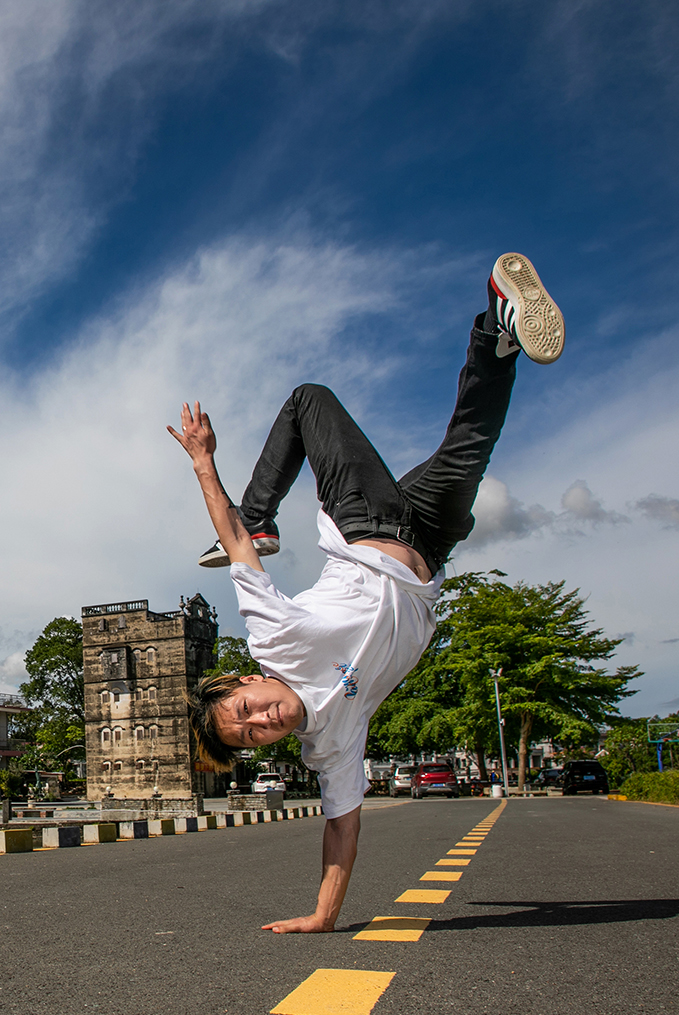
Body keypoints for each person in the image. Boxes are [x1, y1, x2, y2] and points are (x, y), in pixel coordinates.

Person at [168, 252, 564, 934]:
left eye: (247, 709)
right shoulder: (331, 744)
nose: (263, 722)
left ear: (245, 680)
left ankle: (269, 513)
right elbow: (341, 829)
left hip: (368, 525)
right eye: (254, 735)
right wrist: (324, 917)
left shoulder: (275, 638)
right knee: (472, 443)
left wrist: (205, 464)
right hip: (427, 549)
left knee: (307, 400)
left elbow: (232, 543)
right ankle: (497, 328)